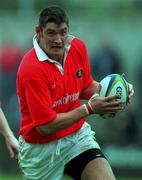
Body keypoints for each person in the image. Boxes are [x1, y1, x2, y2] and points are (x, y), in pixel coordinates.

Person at [16, 6, 134, 180]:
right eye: (51, 33)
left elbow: (85, 86)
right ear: (38, 32)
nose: (58, 40)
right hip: (40, 150)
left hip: (76, 137)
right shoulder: (31, 69)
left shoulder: (77, 47)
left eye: (63, 32)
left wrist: (116, 92)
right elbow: (45, 126)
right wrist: (89, 109)